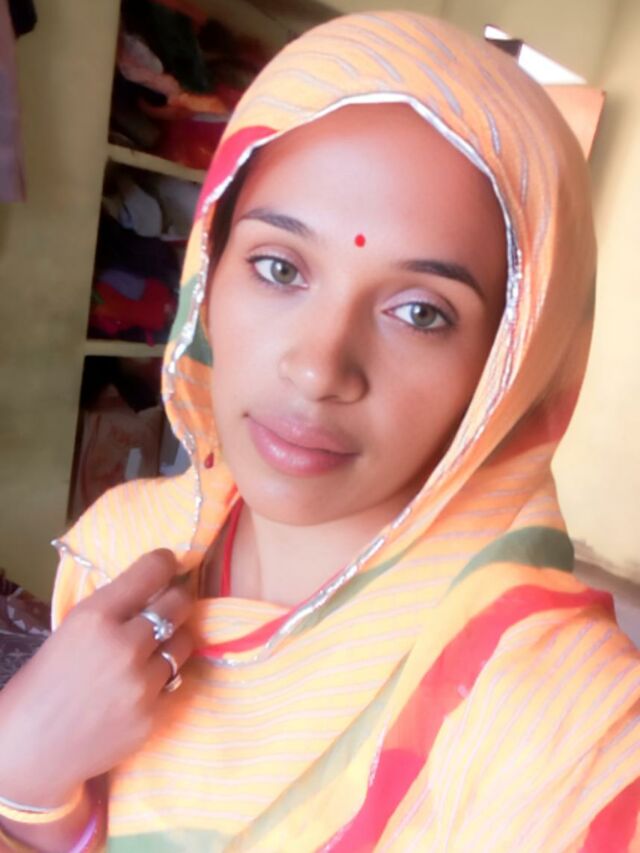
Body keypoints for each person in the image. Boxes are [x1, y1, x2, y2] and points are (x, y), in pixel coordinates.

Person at [1, 10, 639, 852]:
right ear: (208, 276)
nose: (317, 367)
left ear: (509, 365)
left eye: (421, 311)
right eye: (278, 266)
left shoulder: (550, 716)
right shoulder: (122, 550)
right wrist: (27, 779)